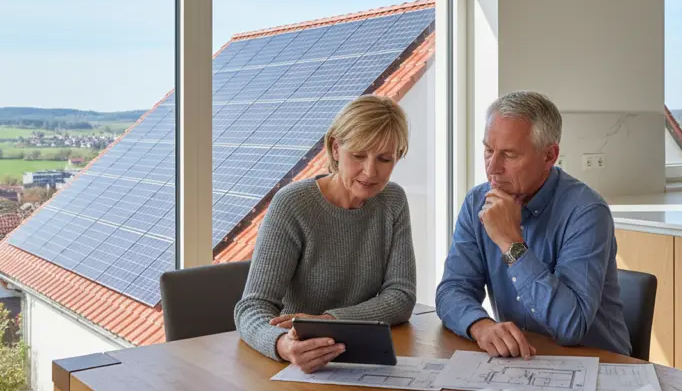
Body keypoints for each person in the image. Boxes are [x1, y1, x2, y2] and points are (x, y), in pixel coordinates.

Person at [435, 91, 631, 358]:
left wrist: (511, 243)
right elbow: (451, 290)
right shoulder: (476, 202)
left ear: (549, 156)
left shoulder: (586, 211)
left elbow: (570, 327)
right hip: (525, 365)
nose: (493, 167)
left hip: (601, 369)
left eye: (509, 155)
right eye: (488, 150)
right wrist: (480, 326)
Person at [234, 95, 416, 373]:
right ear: (335, 148)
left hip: (364, 359)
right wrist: (284, 345)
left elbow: (401, 296)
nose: (370, 171)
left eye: (384, 159)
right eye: (358, 155)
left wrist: (330, 321)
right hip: (298, 362)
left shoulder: (393, 200)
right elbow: (251, 308)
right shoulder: (293, 204)